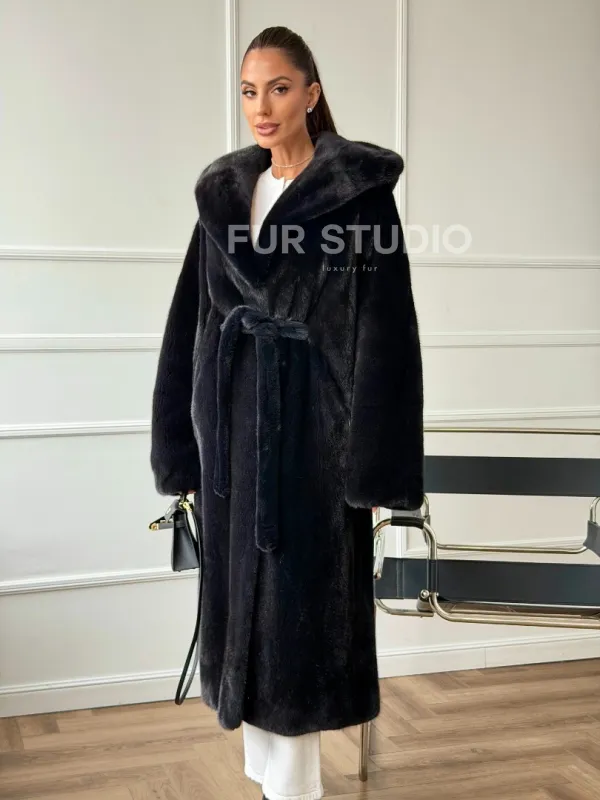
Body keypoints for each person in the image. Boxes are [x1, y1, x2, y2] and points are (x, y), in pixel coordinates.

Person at [150, 24, 424, 800]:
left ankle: (296, 788)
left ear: (310, 92)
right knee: (242, 612)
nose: (262, 107)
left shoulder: (359, 197)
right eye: (249, 92)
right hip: (230, 438)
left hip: (316, 438)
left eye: (278, 88)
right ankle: (269, 778)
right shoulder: (222, 197)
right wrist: (181, 448)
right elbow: (190, 323)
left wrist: (374, 466)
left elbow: (387, 332)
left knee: (298, 622)